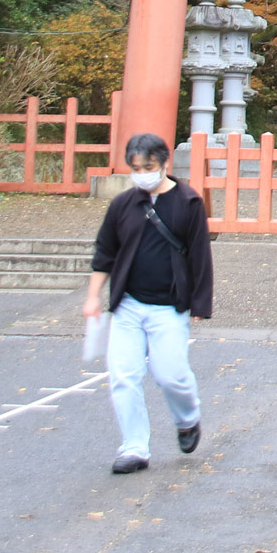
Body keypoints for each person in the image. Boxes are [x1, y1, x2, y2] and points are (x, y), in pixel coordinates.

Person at [83, 132, 213, 475]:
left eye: (149, 166)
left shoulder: (187, 202)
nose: (142, 173)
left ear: (164, 164)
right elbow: (105, 252)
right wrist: (94, 295)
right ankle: (134, 446)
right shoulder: (123, 204)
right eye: (136, 167)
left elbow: (200, 254)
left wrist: (200, 303)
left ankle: (187, 418)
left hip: (169, 306)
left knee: (171, 375)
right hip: (127, 304)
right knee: (123, 376)